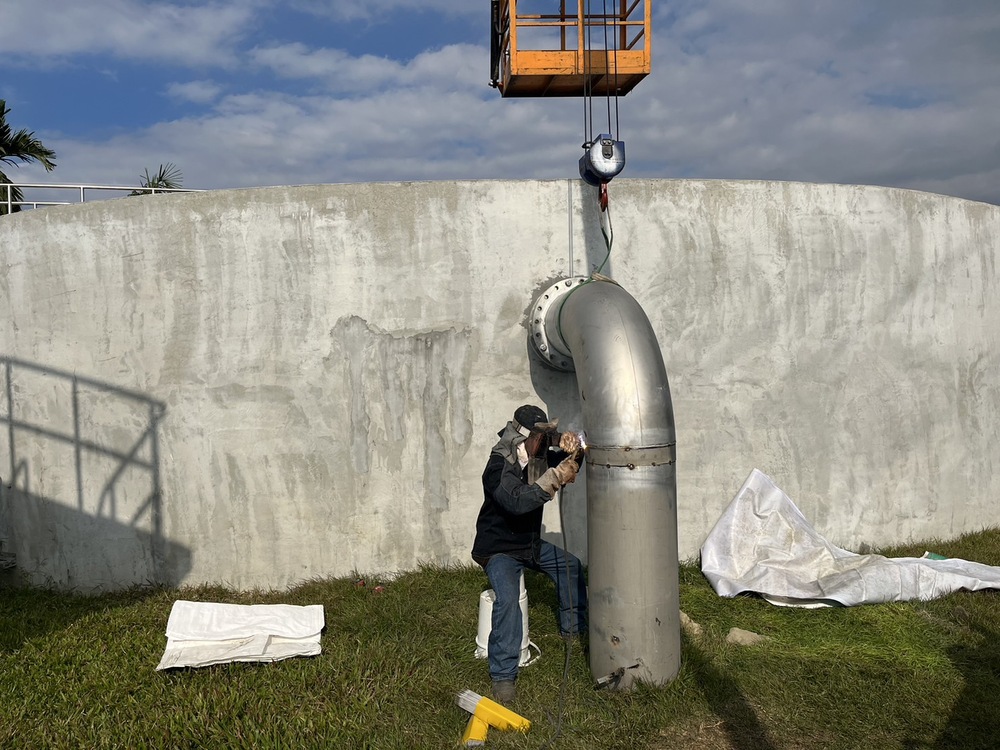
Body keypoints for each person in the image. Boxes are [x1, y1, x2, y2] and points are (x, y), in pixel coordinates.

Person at [472, 404, 589, 705]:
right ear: (525, 437)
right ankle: (503, 676)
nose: (547, 442)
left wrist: (574, 446)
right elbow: (517, 502)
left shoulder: (534, 452)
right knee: (509, 601)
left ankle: (573, 630)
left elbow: (569, 458)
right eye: (543, 437)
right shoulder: (498, 467)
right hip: (499, 549)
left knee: (571, 567)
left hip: (528, 544)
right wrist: (554, 477)